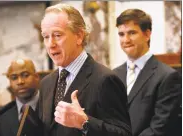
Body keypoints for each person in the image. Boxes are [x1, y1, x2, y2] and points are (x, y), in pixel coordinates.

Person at [38, 3, 131, 136]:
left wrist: (84, 123)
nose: (50, 44)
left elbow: (124, 133)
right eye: (46, 37)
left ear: (79, 36)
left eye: (57, 35)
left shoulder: (105, 79)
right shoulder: (46, 83)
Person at [113, 9, 182, 136]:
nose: (126, 40)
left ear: (147, 34)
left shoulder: (168, 76)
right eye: (121, 34)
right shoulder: (114, 75)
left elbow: (160, 127)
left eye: (132, 33)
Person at [0, 59, 40, 136]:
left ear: (36, 77)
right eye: (14, 78)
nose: (20, 81)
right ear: (9, 82)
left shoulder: (53, 109)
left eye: (25, 75)